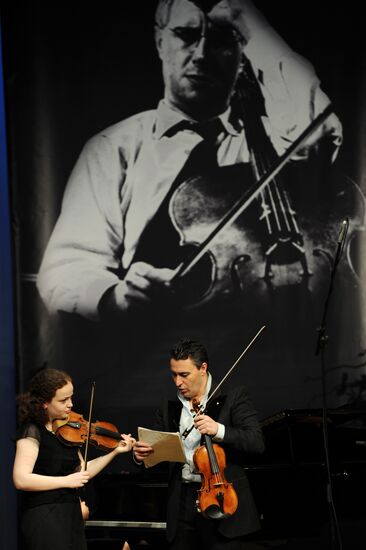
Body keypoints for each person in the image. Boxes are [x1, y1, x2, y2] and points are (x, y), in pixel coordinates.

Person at [36, 0, 342, 322]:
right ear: (160, 43)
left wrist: (252, 27)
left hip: (252, 341)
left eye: (224, 41)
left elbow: (320, 129)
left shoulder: (275, 140)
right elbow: (69, 267)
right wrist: (114, 298)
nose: (201, 55)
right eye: (186, 35)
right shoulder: (113, 148)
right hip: (146, 351)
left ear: (243, 55)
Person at [133, 338, 265, 549]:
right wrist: (142, 456)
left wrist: (218, 430)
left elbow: (256, 442)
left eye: (184, 375)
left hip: (223, 501)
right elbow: (157, 452)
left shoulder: (232, 395)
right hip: (183, 503)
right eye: (174, 374)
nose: (178, 382)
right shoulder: (169, 405)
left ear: (203, 368)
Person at [13, 368, 136, 550]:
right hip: (45, 515)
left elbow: (81, 470)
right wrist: (66, 481)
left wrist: (114, 452)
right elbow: (21, 479)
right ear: (44, 403)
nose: (70, 405)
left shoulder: (67, 431)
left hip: (70, 513)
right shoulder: (32, 431)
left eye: (71, 397)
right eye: (63, 400)